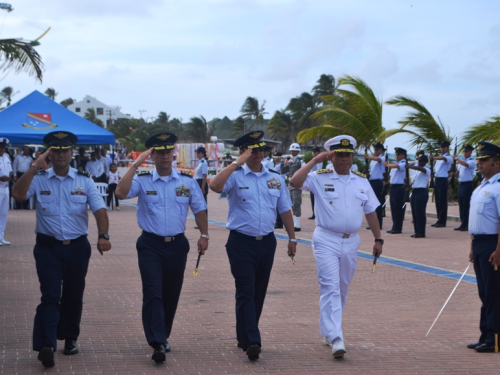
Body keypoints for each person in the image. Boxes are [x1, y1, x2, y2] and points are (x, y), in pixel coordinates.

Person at [11, 131, 111, 368]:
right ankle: (47, 344)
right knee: (50, 295)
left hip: (77, 247)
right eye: (56, 151)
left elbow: (99, 209)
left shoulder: (84, 180)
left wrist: (103, 235)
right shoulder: (39, 177)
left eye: (65, 150)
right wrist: (34, 167)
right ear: (49, 154)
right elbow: (18, 194)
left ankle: (69, 338)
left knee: (73, 295)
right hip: (48, 248)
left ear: (71, 153)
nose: (61, 155)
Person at [115, 133, 208, 364]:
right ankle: (157, 341)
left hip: (178, 244)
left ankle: (163, 334)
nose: (165, 156)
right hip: (150, 245)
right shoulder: (143, 179)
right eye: (160, 152)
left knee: (170, 293)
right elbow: (120, 193)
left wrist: (204, 234)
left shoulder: (186, 181)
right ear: (152, 155)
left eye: (168, 152)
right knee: (153, 291)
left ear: (172, 153)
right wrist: (135, 164)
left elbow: (199, 208)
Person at [289, 135, 383, 358]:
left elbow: (370, 211)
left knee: (341, 287)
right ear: (331, 156)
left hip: (351, 241)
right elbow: (294, 182)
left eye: (348, 155)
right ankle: (336, 337)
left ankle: (328, 330)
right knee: (329, 286)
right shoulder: (319, 177)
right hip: (326, 239)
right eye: (339, 155)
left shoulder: (361, 181)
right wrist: (314, 161)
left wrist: (378, 239)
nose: (345, 159)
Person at [209, 130, 296, 361]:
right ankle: (253, 339)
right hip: (240, 242)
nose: (258, 154)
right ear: (243, 152)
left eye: (260, 149)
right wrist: (235, 163)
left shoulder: (275, 177)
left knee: (257, 292)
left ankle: (243, 336)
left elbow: (284, 208)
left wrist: (292, 238)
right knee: (246, 289)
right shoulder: (236, 175)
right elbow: (215, 186)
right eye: (252, 150)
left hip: (267, 242)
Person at [467, 141, 500, 353]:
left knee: (494, 293)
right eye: (478, 159)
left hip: (492, 243)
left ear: (496, 163)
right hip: (479, 243)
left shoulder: (498, 187)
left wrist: (499, 250)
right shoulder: (482, 187)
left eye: (484, 160)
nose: (479, 163)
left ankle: (495, 339)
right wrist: (472, 246)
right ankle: (485, 334)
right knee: (484, 292)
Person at [281, 143, 305, 231]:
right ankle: (294, 224)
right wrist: (282, 162)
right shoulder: (290, 160)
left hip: (297, 183)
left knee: (296, 203)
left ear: (298, 151)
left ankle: (297, 225)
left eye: (295, 151)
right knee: (291, 204)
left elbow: (304, 170)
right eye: (292, 151)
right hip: (290, 183)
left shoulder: (299, 160)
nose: (293, 152)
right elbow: (283, 171)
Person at [406, 151, 430, 238]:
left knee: (420, 213)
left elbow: (422, 170)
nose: (419, 163)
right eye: (418, 161)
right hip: (415, 191)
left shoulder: (427, 169)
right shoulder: (417, 170)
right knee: (415, 213)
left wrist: (410, 166)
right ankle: (417, 231)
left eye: (421, 161)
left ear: (425, 162)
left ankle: (421, 232)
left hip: (422, 192)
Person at [430, 140, 452, 228]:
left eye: (443, 147)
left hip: (443, 180)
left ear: (447, 148)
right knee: (438, 201)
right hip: (437, 179)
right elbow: (437, 169)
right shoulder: (439, 159)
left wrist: (433, 158)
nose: (441, 149)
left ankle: (442, 220)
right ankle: (439, 219)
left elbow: (443, 159)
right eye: (441, 147)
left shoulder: (448, 157)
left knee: (442, 201)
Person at [384, 147, 407, 234]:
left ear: (403, 155)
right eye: (396, 154)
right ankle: (394, 226)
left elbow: (396, 166)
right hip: (393, 187)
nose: (396, 156)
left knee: (398, 209)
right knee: (393, 208)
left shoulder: (403, 163)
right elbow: (392, 176)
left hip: (399, 188)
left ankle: (398, 228)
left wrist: (387, 165)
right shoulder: (395, 164)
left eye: (398, 154)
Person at [364, 143, 387, 229]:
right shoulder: (373, 160)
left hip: (378, 183)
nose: (375, 151)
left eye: (377, 150)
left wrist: (368, 157)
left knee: (377, 205)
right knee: (372, 204)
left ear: (381, 150)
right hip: (372, 182)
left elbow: (378, 159)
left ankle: (378, 224)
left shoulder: (382, 158)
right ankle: (373, 223)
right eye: (375, 150)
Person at [454, 144, 475, 231]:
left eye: (466, 151)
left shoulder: (471, 161)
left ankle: (466, 224)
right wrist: (455, 173)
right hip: (461, 184)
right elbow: (459, 170)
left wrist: (456, 158)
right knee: (461, 205)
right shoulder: (462, 161)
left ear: (470, 152)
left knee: (466, 205)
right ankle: (462, 223)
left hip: (467, 184)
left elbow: (465, 165)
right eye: (464, 151)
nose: (465, 153)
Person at [0, 137, 13, 246]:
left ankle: (1, 237)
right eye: (1, 147)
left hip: (5, 188)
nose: (2, 149)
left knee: (4, 213)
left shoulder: (6, 157)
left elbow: (10, 171)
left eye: (4, 147)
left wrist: (11, 177)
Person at [309, 146, 323, 220]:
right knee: (312, 198)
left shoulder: (319, 161)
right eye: (313, 151)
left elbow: (318, 171)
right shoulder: (313, 160)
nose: (314, 153)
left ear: (318, 152)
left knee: (316, 198)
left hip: (317, 181)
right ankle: (314, 213)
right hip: (312, 181)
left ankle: (317, 214)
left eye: (315, 152)